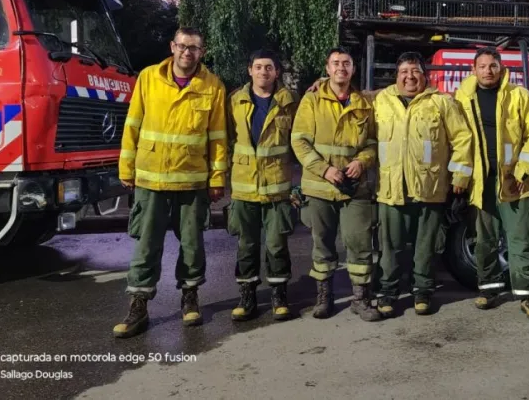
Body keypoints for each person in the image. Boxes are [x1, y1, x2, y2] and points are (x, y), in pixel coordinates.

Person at [115, 27, 228, 338]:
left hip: (192, 184)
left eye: (193, 48)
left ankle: (190, 299)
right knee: (146, 247)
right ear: (172, 47)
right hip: (151, 180)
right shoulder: (149, 78)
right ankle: (138, 305)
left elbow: (218, 138)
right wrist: (126, 168)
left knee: (192, 247)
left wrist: (217, 179)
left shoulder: (213, 86)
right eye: (182, 46)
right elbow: (133, 124)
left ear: (202, 52)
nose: (187, 53)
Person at [372, 52, 473, 317]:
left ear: (424, 74)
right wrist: (322, 82)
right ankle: (388, 292)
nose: (410, 76)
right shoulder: (381, 100)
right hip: (391, 188)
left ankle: (423, 291)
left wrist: (460, 176)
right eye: (404, 71)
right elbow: (351, 98)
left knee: (425, 245)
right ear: (396, 75)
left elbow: (462, 139)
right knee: (389, 247)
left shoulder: (441, 102)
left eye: (415, 71)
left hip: (430, 188)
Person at [453, 48, 529, 321]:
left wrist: (522, 170)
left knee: (522, 239)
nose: (488, 71)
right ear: (474, 69)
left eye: (493, 65)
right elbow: (456, 137)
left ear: (501, 68)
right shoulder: (462, 98)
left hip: (514, 181)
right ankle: (489, 289)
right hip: (481, 182)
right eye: (482, 66)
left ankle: (527, 296)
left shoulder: (518, 96)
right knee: (484, 240)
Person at [290, 47, 380, 321]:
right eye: (336, 63)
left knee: (360, 242)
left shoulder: (365, 103)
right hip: (320, 187)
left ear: (353, 69)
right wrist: (325, 170)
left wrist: (362, 162)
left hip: (356, 187)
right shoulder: (312, 100)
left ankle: (361, 299)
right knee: (322, 244)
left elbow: (373, 143)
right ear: (327, 69)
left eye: (347, 63)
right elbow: (299, 141)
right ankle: (324, 297)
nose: (341, 67)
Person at [227, 49, 298, 322]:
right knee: (246, 244)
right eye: (258, 67)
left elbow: (298, 140)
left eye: (269, 67)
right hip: (244, 187)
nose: (263, 72)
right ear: (250, 71)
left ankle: (279, 295)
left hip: (277, 188)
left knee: (277, 244)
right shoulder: (235, 100)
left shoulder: (290, 101)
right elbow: (224, 139)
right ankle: (247, 296)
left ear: (276, 72)